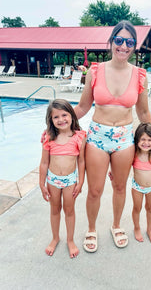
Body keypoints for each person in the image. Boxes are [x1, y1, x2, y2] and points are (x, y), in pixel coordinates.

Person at [74, 20, 151, 252]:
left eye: (129, 42)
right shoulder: (95, 71)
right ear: (111, 42)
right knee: (95, 190)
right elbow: (83, 107)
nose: (123, 46)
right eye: (119, 40)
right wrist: (56, 125)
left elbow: (143, 111)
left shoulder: (139, 75)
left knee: (120, 187)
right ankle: (91, 228)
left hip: (124, 140)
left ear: (134, 46)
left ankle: (116, 225)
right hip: (97, 137)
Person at [39, 99, 86, 258]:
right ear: (50, 120)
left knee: (69, 210)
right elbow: (44, 162)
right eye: (56, 117)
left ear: (72, 116)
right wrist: (42, 183)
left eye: (64, 115)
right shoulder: (49, 137)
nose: (61, 120)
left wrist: (80, 181)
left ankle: (70, 240)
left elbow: (81, 160)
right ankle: (55, 238)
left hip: (70, 180)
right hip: (52, 180)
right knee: (55, 209)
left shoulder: (79, 137)